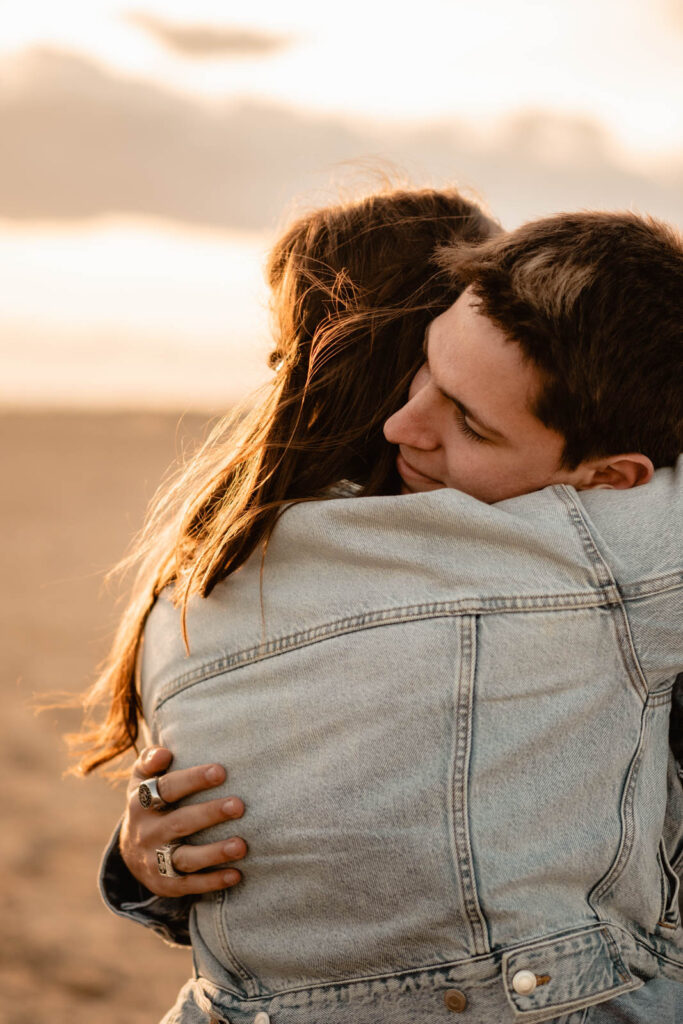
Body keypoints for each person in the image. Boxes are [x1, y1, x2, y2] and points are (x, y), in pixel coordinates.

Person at [77, 195, 683, 1023]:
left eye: (467, 419)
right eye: (424, 375)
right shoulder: (602, 548)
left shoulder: (193, 572)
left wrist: (134, 873)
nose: (408, 423)